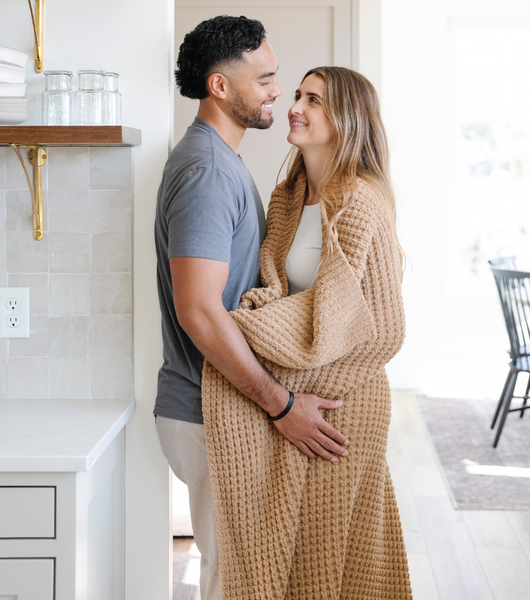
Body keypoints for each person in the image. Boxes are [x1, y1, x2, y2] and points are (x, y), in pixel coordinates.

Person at [153, 16, 349, 600]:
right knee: (232, 581)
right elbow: (198, 310)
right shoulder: (209, 172)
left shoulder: (218, 161)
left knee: (239, 576)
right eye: (264, 79)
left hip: (219, 404)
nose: (276, 94)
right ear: (219, 86)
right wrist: (282, 404)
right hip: (206, 407)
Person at [202, 67, 413, 599]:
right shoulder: (288, 197)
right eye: (297, 95)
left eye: (313, 100)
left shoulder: (362, 203)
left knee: (331, 556)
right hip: (300, 393)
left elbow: (385, 329)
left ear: (345, 119)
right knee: (292, 558)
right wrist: (281, 371)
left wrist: (262, 345)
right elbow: (278, 289)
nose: (296, 105)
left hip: (346, 402)